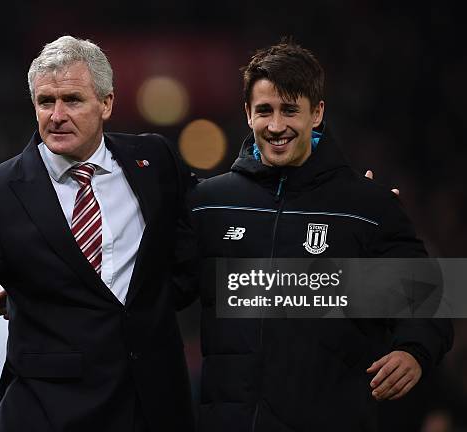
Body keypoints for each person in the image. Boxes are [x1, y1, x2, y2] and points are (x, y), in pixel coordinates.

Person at [0, 36, 195, 432]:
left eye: (73, 99)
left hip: (152, 409)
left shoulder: (154, 161)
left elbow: (197, 241)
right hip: (48, 415)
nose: (57, 115)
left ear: (107, 103)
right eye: (46, 101)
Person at [187, 40, 453, 431]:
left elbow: (430, 298)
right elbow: (162, 287)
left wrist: (413, 351)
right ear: (248, 114)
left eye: (290, 110)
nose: (276, 126)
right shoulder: (209, 203)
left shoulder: (366, 207)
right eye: (265, 111)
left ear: (317, 113)